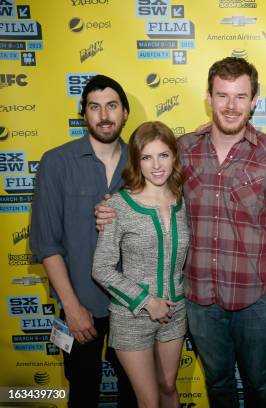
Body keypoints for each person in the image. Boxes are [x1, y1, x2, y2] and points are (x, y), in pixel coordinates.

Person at [96, 57, 266, 408]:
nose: (231, 106)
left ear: (254, 101)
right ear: (208, 97)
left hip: (255, 296)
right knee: (217, 382)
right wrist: (108, 209)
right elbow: (146, 189)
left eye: (240, 97)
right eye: (222, 95)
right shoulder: (183, 149)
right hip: (199, 298)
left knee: (258, 382)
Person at [29, 75, 136, 407]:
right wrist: (72, 308)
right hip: (80, 304)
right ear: (84, 114)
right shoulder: (56, 162)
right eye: (94, 107)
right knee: (83, 393)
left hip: (133, 306)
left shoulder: (144, 163)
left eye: (112, 106)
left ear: (126, 112)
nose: (104, 116)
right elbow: (46, 243)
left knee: (134, 394)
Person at [92, 121, 189, 408]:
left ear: (174, 157)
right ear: (136, 161)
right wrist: (147, 301)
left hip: (176, 312)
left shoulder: (184, 202)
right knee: (148, 401)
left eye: (163, 155)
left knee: (169, 387)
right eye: (147, 157)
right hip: (131, 317)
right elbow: (102, 268)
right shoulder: (118, 206)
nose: (156, 165)